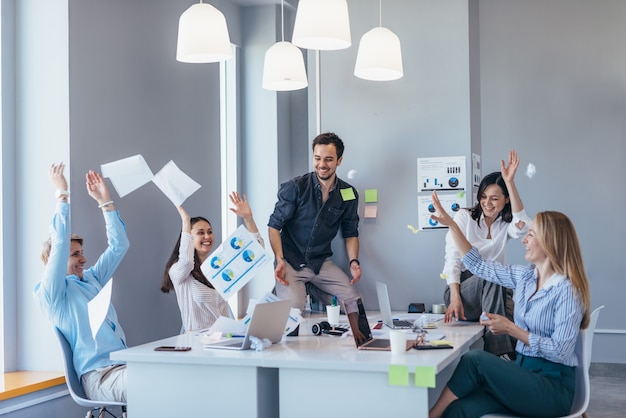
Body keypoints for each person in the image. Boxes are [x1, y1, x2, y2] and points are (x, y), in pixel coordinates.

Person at [428, 190, 591, 418]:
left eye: (531, 235)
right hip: (524, 374)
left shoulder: (567, 291)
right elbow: (479, 265)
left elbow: (560, 350)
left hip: (551, 389)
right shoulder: (526, 277)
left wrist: (511, 329)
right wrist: (452, 225)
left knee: (475, 360)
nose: (524, 239)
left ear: (550, 243)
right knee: (459, 410)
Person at [34, 162, 130, 403]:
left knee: (172, 376)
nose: (84, 258)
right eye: (75, 254)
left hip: (125, 367)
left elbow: (120, 246)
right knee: (161, 384)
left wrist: (105, 202)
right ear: (54, 261)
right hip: (100, 378)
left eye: (82, 252)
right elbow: (59, 245)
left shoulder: (91, 279)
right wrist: (62, 194)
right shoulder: (53, 294)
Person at [268, 132, 362, 335]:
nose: (322, 164)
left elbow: (350, 231)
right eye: (317, 158)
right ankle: (296, 290)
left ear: (339, 160)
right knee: (293, 315)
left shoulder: (348, 193)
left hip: (321, 262)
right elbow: (274, 226)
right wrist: (279, 260)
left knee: (354, 305)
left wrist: (354, 261)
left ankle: (313, 287)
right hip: (291, 261)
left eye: (328, 159)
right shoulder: (295, 187)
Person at [440, 150, 531, 358]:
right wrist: (455, 297)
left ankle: (519, 370)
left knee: (519, 322)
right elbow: (453, 257)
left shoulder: (505, 225)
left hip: (496, 292)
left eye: (494, 198)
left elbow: (524, 227)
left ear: (506, 200)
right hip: (464, 294)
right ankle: (496, 356)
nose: (487, 203)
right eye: (483, 197)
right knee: (492, 274)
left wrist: (511, 183)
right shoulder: (464, 217)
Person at [161, 192, 264, 333]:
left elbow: (256, 252)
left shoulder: (218, 266)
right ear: (189, 238)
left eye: (210, 232)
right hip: (196, 343)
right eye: (200, 232)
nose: (207, 236)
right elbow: (187, 262)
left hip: (223, 339)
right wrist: (186, 220)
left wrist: (248, 219)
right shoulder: (178, 271)